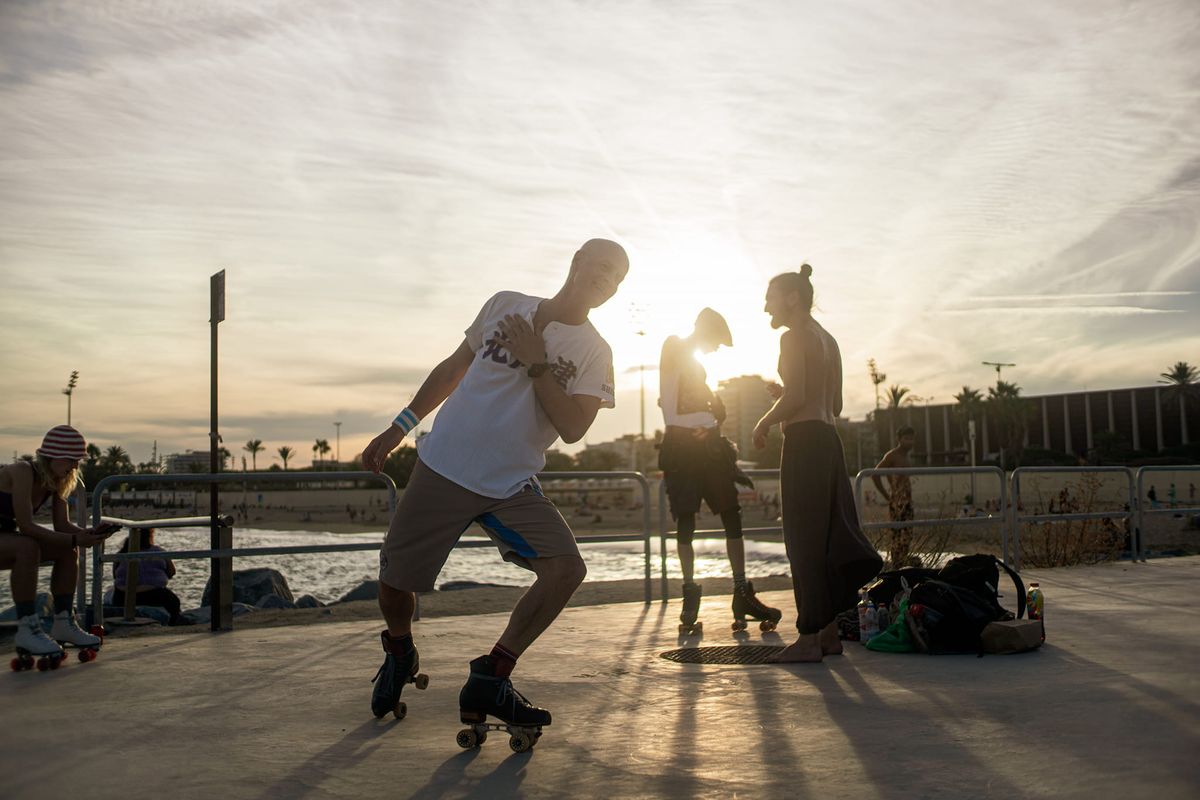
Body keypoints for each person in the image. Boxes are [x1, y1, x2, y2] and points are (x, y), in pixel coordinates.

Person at [361, 238, 628, 734]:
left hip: (510, 483)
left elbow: (573, 427)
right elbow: (452, 368)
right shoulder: (504, 303)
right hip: (445, 466)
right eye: (603, 267)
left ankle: (492, 675)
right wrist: (399, 427)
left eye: (618, 278)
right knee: (394, 585)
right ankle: (399, 651)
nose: (608, 280)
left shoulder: (596, 351)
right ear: (576, 262)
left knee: (566, 569)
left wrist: (537, 362)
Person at [752, 265, 882, 663]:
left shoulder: (794, 338)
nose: (764, 307)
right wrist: (791, 396)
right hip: (829, 441)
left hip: (805, 443)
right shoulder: (828, 339)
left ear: (792, 298)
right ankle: (828, 634)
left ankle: (808, 637)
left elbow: (795, 397)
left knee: (804, 540)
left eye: (770, 297)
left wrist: (764, 420)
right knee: (826, 536)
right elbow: (835, 404)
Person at [657, 307, 775, 634]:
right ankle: (690, 595)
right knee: (686, 521)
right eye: (716, 342)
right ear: (703, 332)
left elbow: (705, 408)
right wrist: (703, 412)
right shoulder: (674, 347)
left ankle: (741, 592)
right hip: (682, 450)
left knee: (731, 514)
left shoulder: (693, 364)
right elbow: (674, 406)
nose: (716, 349)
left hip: (707, 448)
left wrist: (712, 415)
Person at [0, 426, 118, 666]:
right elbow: (26, 526)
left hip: (6, 538)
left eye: (77, 461)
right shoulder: (22, 471)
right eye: (71, 460)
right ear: (51, 456)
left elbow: (62, 525)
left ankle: (64, 622)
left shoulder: (54, 481)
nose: (75, 467)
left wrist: (88, 534)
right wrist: (76, 539)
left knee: (66, 550)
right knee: (27, 546)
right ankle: (27, 628)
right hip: (11, 539)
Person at [111, 528, 183, 625]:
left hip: (122, 595)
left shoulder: (121, 554)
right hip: (153, 595)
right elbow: (171, 572)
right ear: (150, 536)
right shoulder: (158, 552)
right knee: (175, 602)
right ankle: (173, 625)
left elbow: (115, 575)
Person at [872, 426, 917, 568]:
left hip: (907, 501)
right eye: (906, 439)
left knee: (908, 534)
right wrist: (887, 496)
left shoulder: (906, 456)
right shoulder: (892, 455)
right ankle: (897, 565)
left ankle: (902, 562)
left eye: (911, 439)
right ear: (899, 439)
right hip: (897, 502)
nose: (910, 442)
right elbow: (875, 474)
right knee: (897, 535)